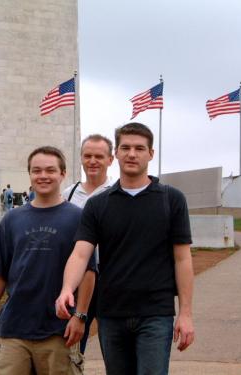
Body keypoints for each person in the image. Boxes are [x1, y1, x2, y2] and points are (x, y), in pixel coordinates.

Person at [56, 122, 195, 375]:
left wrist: (185, 314)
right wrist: (67, 288)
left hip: (156, 313)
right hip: (111, 314)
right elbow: (80, 254)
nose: (132, 154)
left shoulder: (171, 199)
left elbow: (183, 260)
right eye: (126, 147)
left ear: (151, 154)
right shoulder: (97, 205)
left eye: (140, 148)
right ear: (116, 154)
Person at [0, 146, 94, 375]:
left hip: (59, 331)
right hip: (13, 329)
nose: (43, 176)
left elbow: (89, 272)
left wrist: (80, 317)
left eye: (50, 170)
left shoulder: (79, 218)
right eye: (36, 170)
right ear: (29, 175)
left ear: (62, 174)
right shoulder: (11, 220)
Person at [61, 134, 114, 354]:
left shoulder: (117, 193)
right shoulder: (69, 194)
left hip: (111, 279)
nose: (93, 161)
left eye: (99, 156)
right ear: (81, 158)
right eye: (88, 156)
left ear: (110, 160)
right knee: (73, 343)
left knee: (113, 346)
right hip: (79, 279)